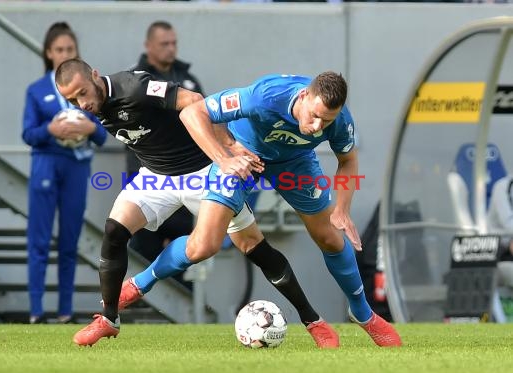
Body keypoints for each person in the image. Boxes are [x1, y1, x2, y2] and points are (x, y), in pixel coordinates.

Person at [56, 58, 337, 347]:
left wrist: (226, 149)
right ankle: (108, 319)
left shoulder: (134, 87)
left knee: (254, 246)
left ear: (94, 75)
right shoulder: (96, 108)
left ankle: (313, 321)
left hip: (202, 171)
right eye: (72, 99)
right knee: (114, 231)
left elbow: (196, 103)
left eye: (82, 92)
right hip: (156, 176)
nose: (81, 103)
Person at [117, 72, 402, 347]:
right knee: (203, 245)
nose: (317, 126)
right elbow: (192, 113)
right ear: (304, 96)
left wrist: (342, 209)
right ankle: (140, 283)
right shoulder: (264, 95)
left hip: (294, 163)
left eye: (325, 121)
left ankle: (363, 314)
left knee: (330, 236)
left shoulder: (339, 121)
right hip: (243, 154)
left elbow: (348, 161)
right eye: (314, 116)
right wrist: (225, 157)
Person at [22, 22, 107, 324]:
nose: (64, 54)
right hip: (46, 163)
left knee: (70, 242)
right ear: (48, 53)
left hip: (77, 167)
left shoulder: (88, 91)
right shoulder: (37, 90)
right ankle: (35, 311)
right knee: (39, 241)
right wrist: (51, 129)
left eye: (69, 49)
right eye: (59, 49)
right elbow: (28, 134)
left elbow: (103, 136)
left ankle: (65, 312)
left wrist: (90, 127)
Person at [126, 21, 205, 286]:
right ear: (148, 46)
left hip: (188, 180)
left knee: (185, 259)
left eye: (174, 43)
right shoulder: (134, 81)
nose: (171, 49)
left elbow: (204, 116)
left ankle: (183, 320)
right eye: (164, 44)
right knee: (143, 254)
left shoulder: (188, 79)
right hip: (152, 181)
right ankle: (141, 315)